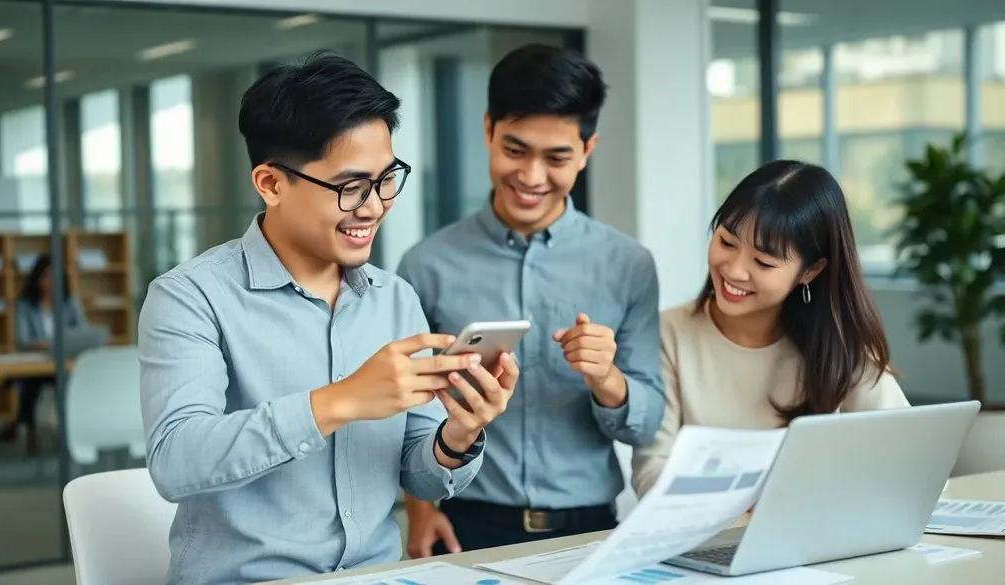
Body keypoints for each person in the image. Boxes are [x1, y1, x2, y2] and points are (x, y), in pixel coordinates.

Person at [139, 55, 517, 585]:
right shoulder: (190, 297)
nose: (374, 207)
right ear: (271, 184)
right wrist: (339, 400)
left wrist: (459, 433)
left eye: (387, 180)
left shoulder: (395, 298)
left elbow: (423, 478)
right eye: (350, 187)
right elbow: (176, 461)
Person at [397, 44, 664, 556]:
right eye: (515, 151)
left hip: (589, 529)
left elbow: (646, 423)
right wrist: (420, 511)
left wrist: (607, 378)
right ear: (488, 131)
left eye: (557, 157)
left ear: (587, 150)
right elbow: (408, 414)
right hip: (464, 526)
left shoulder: (629, 264)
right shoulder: (426, 264)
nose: (532, 177)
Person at [632, 160, 911, 497]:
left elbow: (906, 459)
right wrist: (737, 511)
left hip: (814, 539)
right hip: (707, 538)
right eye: (726, 242)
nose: (734, 270)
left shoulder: (839, 345)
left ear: (811, 271)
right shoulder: (668, 333)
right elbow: (652, 471)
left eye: (763, 262)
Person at [0, 253, 85, 454]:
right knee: (32, 381)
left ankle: (21, 423)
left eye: (55, 276)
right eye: (46, 275)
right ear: (36, 278)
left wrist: (64, 344)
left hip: (64, 365)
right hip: (38, 364)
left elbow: (82, 330)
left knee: (63, 382)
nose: (50, 281)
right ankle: (30, 430)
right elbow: (24, 340)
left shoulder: (69, 302)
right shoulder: (25, 305)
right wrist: (52, 344)